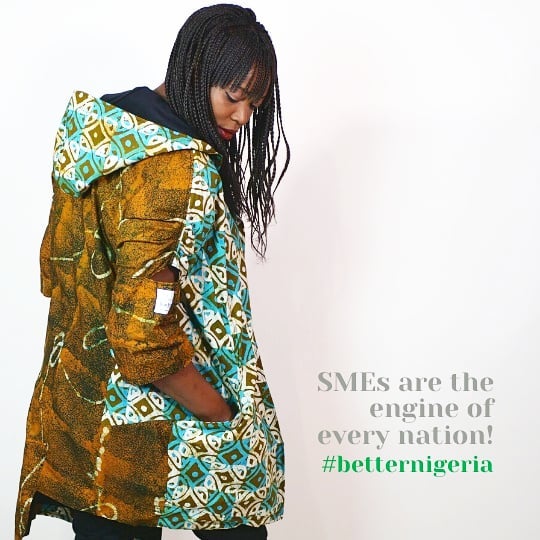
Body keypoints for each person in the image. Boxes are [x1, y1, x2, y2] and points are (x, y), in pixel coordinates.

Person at [14, 4, 290, 540]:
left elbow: (57, 269)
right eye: (233, 96)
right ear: (194, 70)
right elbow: (143, 337)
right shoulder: (173, 167)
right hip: (156, 430)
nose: (242, 116)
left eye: (254, 105)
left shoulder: (104, 137)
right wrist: (221, 414)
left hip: (84, 418)